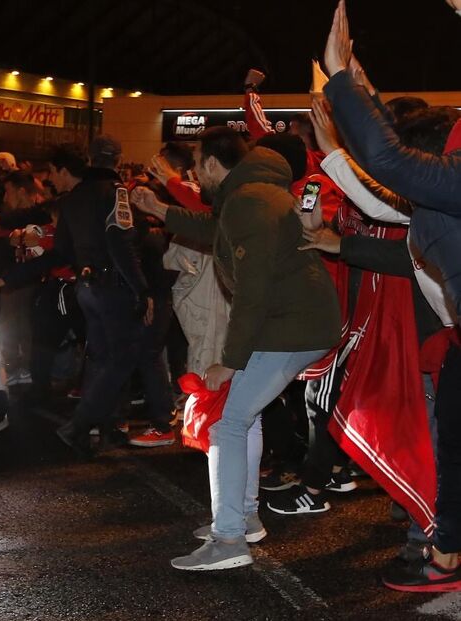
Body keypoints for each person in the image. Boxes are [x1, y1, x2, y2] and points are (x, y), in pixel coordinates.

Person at [137, 126, 340, 571]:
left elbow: (253, 291)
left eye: (196, 163)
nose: (193, 172)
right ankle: (243, 519)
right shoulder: (250, 191)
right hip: (293, 324)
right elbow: (216, 230)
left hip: (290, 327)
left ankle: (229, 538)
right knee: (240, 422)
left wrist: (230, 361)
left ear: (213, 163)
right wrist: (163, 210)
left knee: (227, 427)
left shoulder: (249, 198)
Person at [322, 0, 461, 591]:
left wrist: (339, 78)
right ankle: (449, 551)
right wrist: (357, 89)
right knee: (453, 444)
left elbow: (388, 163)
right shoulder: (444, 190)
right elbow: (393, 174)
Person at [47, 137, 154, 457]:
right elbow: (120, 243)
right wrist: (142, 290)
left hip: (86, 287)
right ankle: (78, 426)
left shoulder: (72, 198)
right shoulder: (116, 192)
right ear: (119, 160)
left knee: (102, 359)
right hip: (114, 288)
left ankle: (104, 425)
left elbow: (62, 249)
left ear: (91, 159)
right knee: (121, 360)